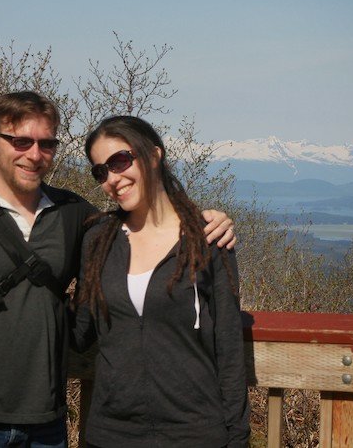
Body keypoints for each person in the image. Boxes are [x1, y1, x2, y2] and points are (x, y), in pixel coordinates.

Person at [0, 91, 236, 448]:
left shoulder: (73, 214)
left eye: (46, 144)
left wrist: (206, 220)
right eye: (21, 141)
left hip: (46, 425)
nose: (34, 155)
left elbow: (139, 223)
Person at [71, 115, 250, 447]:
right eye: (101, 171)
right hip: (111, 435)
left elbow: (228, 349)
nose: (112, 178)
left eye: (120, 160)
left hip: (193, 433)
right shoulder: (97, 240)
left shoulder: (207, 239)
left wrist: (237, 438)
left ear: (154, 156)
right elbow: (80, 332)